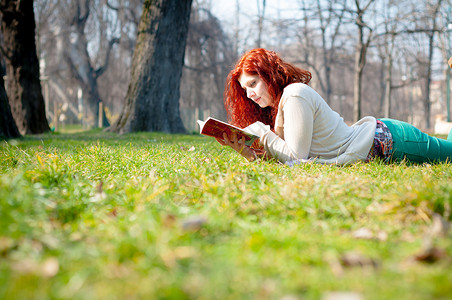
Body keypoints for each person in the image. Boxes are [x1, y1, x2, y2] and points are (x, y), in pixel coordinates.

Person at [218, 48, 452, 165]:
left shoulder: (294, 94)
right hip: (383, 141)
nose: (249, 94)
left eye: (253, 83)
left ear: (268, 75)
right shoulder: (280, 106)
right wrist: (248, 152)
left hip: (393, 141)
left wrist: (261, 133)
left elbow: (297, 158)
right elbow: (290, 159)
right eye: (245, 89)